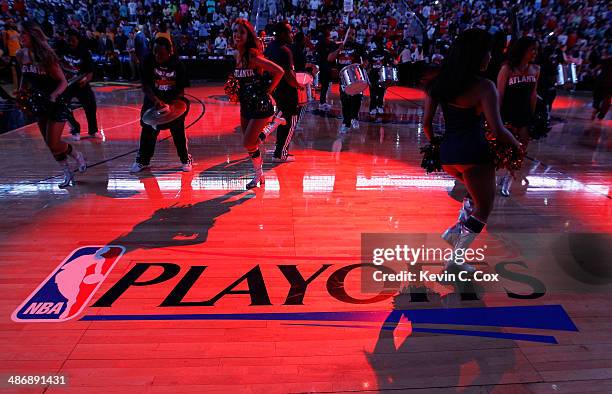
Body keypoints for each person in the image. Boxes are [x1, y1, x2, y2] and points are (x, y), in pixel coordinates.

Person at [423, 29, 521, 273]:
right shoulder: (485, 87)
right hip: (474, 154)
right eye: (488, 52)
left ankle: (455, 232)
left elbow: (425, 124)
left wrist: (437, 145)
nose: (490, 57)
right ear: (477, 55)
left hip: (448, 155)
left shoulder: (439, 83)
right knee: (484, 208)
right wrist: (516, 145)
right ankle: (456, 256)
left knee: (473, 195)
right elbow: (498, 129)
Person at [16, 22, 87, 188]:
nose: (20, 38)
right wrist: (21, 92)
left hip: (56, 102)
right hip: (38, 102)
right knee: (50, 144)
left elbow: (63, 82)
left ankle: (77, 155)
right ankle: (67, 173)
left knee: (54, 143)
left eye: (23, 34)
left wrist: (53, 96)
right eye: (20, 34)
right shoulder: (20, 55)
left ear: (32, 36)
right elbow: (24, 76)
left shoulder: (46, 56)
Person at [232, 19, 284, 189]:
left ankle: (272, 125)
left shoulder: (252, 55)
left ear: (248, 35)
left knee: (248, 142)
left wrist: (268, 91)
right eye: (235, 31)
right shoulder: (237, 54)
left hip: (260, 105)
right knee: (251, 144)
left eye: (242, 32)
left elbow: (279, 71)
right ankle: (258, 176)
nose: (237, 35)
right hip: (245, 105)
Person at [129, 37, 193, 173]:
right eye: (155, 52)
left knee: (178, 131)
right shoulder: (147, 61)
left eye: (161, 53)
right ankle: (143, 161)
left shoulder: (178, 64)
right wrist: (156, 100)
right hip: (153, 101)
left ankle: (185, 158)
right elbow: (145, 85)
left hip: (172, 101)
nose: (157, 56)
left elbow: (181, 90)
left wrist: (172, 105)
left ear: (169, 52)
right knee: (148, 129)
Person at [497, 37, 539, 196]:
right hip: (507, 113)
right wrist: (497, 116)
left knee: (521, 149)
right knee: (503, 149)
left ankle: (508, 178)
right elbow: (499, 95)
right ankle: (500, 175)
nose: (535, 53)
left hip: (524, 115)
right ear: (522, 50)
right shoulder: (507, 69)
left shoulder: (536, 69)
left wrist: (532, 116)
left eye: (536, 50)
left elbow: (533, 94)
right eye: (532, 49)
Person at [264, 21, 303, 163]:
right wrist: (299, 86)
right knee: (291, 121)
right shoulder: (285, 51)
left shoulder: (269, 48)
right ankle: (281, 154)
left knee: (281, 120)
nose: (291, 34)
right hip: (287, 91)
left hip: (275, 90)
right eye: (289, 31)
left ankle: (278, 149)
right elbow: (289, 75)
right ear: (281, 33)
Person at [60, 30, 99, 140]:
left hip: (80, 83)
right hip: (66, 84)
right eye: (68, 40)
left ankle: (93, 131)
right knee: (64, 107)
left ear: (78, 40)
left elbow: (90, 71)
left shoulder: (84, 52)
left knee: (91, 105)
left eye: (73, 40)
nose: (70, 43)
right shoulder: (62, 50)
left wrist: (85, 80)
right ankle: (75, 129)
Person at [328, 26, 365, 133]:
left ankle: (355, 118)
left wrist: (364, 64)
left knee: (357, 99)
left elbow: (364, 62)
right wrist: (339, 49)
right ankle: (346, 123)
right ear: (345, 35)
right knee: (345, 101)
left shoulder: (359, 47)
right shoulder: (337, 45)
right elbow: (330, 58)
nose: (351, 36)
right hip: (343, 78)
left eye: (353, 34)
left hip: (356, 77)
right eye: (349, 34)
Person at [366, 35, 394, 116]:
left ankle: (379, 106)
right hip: (373, 74)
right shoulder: (371, 53)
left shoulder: (386, 52)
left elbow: (390, 63)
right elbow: (367, 64)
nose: (378, 44)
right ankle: (372, 108)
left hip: (382, 75)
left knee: (381, 91)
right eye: (377, 43)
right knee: (373, 92)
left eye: (379, 43)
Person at [315, 26, 333, 111]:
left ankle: (323, 102)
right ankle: (322, 103)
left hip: (321, 66)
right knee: (325, 86)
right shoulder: (326, 43)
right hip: (325, 66)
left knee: (324, 86)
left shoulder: (319, 43)